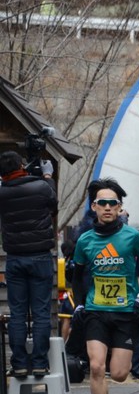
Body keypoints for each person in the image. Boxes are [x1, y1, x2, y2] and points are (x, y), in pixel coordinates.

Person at [71, 178, 139, 394]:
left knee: (118, 373)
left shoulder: (132, 237)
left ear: (119, 207)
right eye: (102, 203)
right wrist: (79, 303)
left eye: (112, 203)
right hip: (95, 310)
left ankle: (113, 364)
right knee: (96, 367)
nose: (107, 207)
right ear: (94, 207)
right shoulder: (85, 240)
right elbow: (77, 275)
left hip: (125, 312)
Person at [0, 150, 58, 379]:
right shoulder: (41, 187)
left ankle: (20, 364)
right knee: (41, 313)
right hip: (40, 256)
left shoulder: (2, 192)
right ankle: (40, 363)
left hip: (15, 258)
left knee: (17, 314)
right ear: (21, 165)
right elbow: (53, 203)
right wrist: (47, 176)